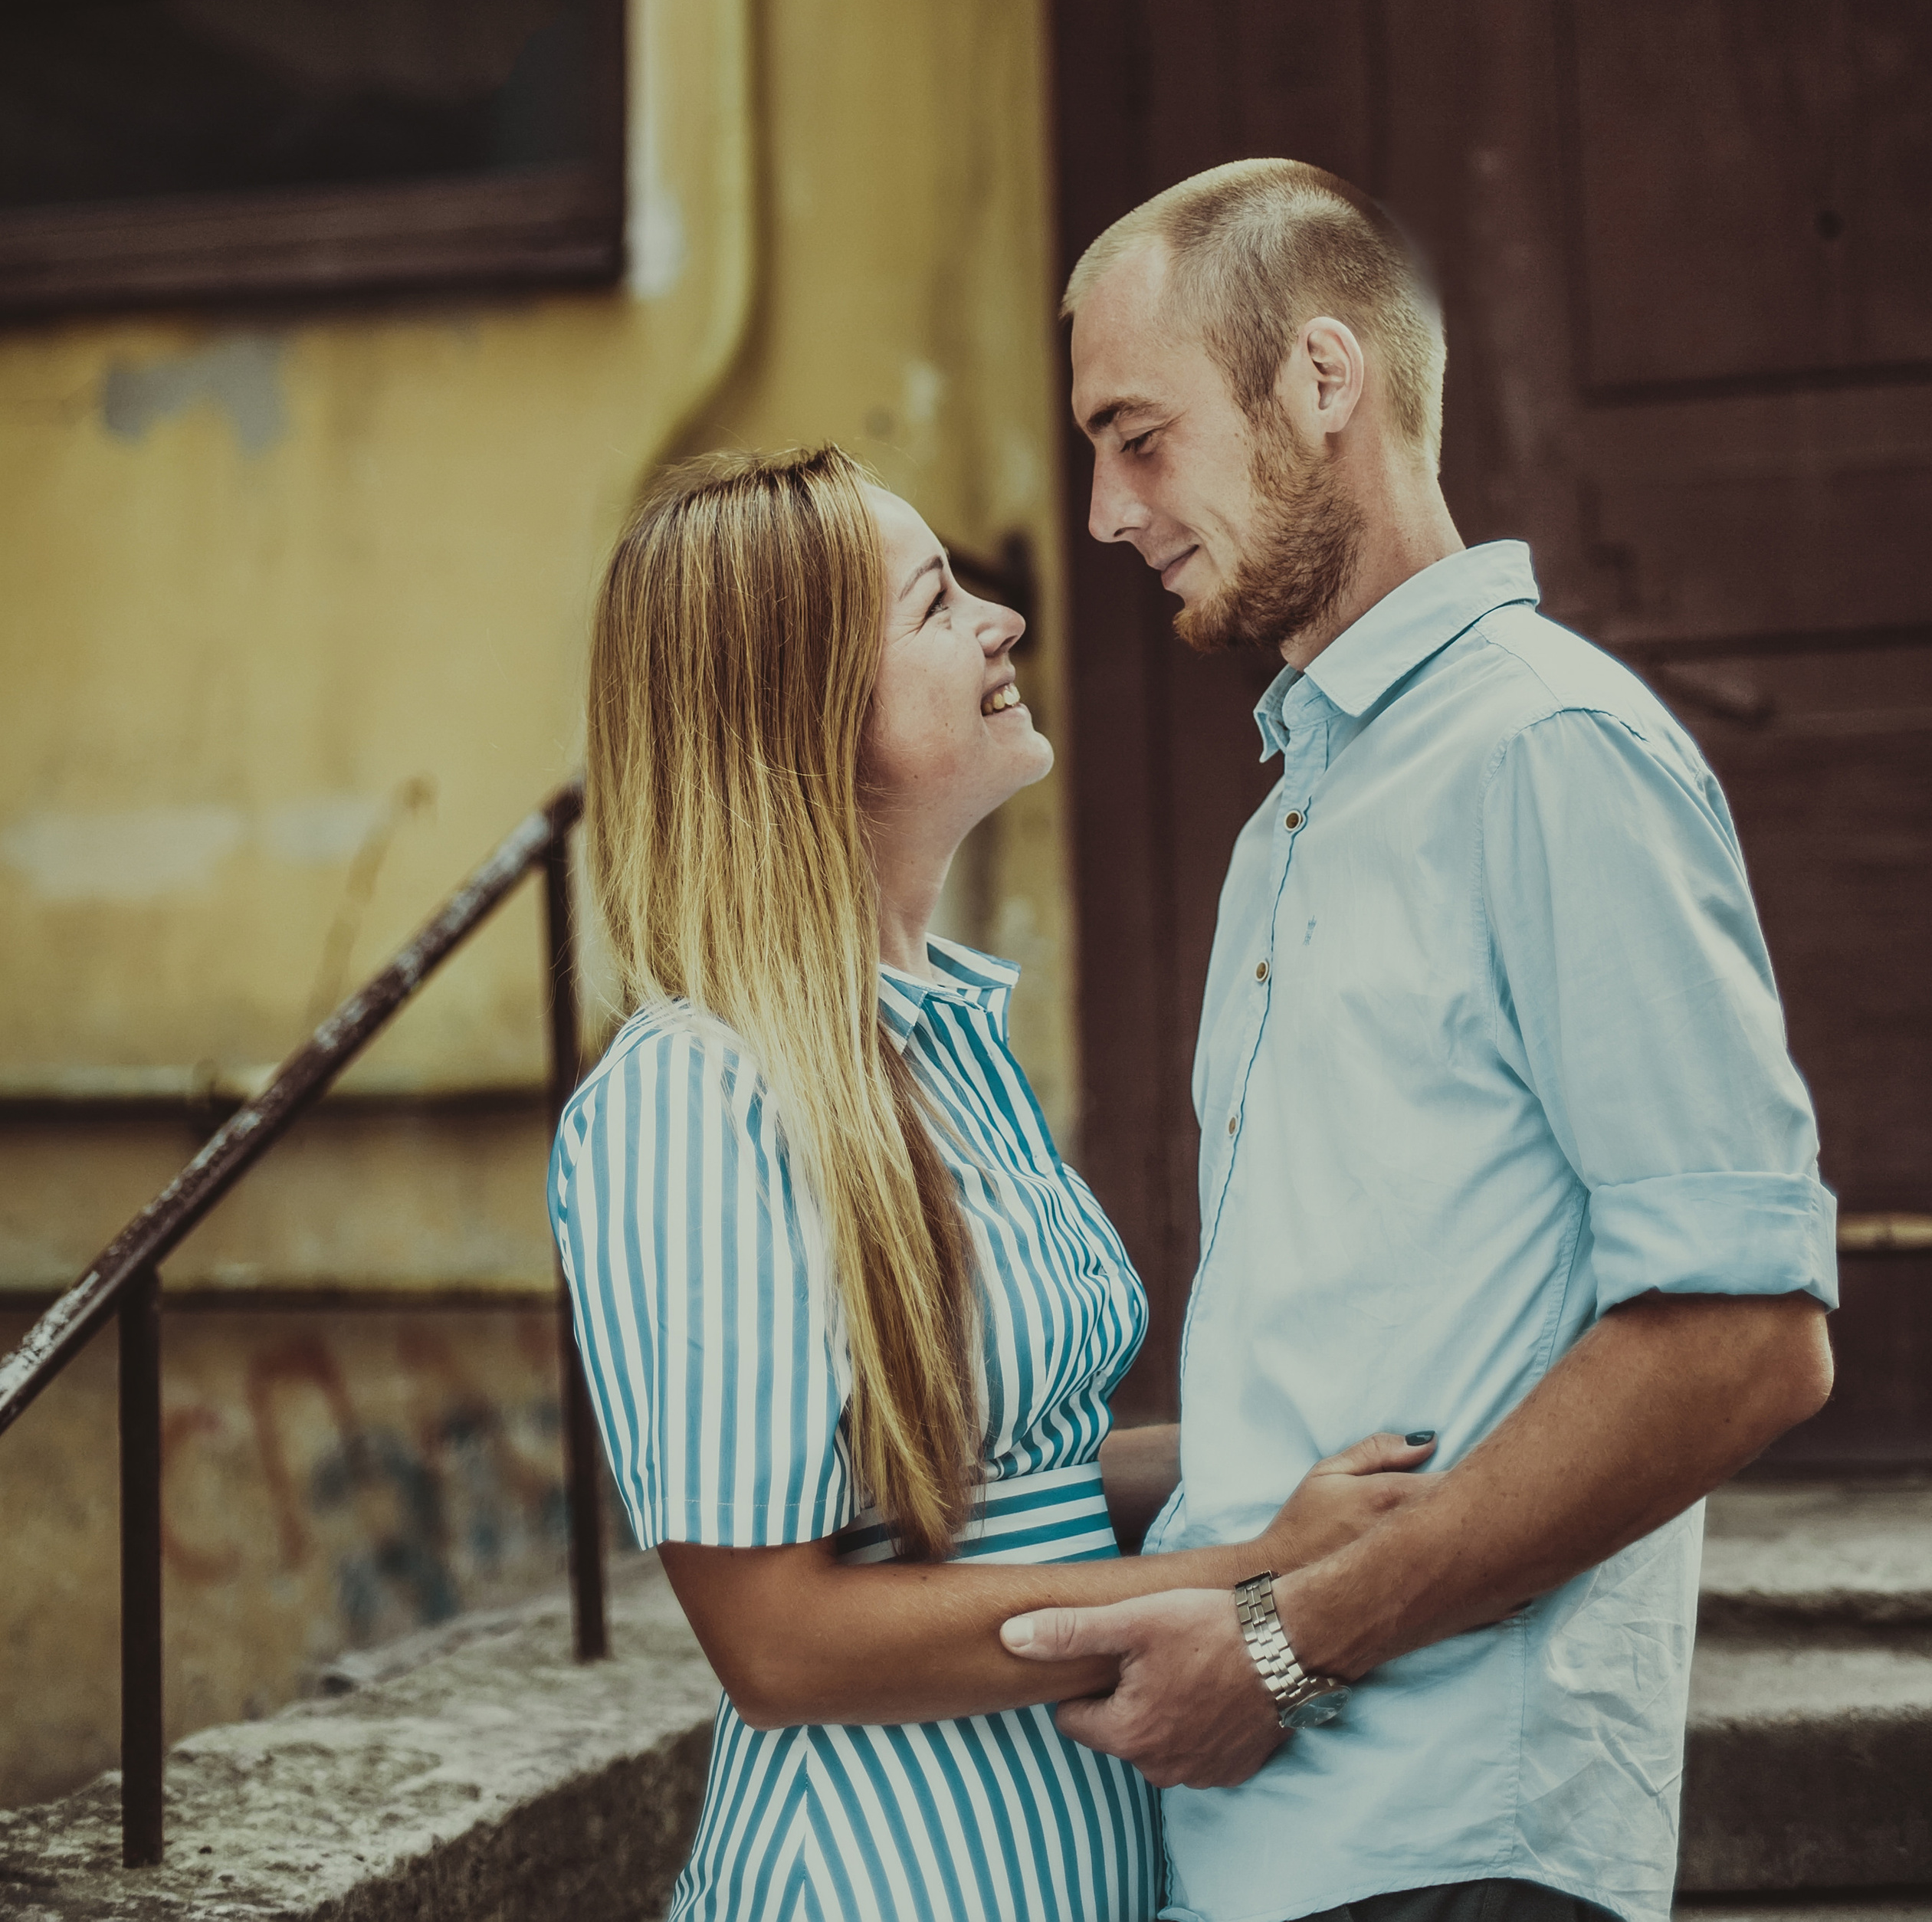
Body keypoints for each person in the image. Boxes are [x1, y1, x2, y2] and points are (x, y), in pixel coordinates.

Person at [1000, 158, 1838, 1922]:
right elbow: (1351, 1372)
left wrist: (1284, 1645)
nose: (1102, 511)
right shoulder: (1291, 819)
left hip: (1456, 1850)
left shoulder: (1545, 750)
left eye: (1137, 438)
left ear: (1321, 379)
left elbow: (1742, 1336)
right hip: (1250, 1856)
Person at [553, 443, 1432, 1922]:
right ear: (803, 716)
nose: (1003, 619)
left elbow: (1024, 1485)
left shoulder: (944, 1046)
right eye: (935, 604)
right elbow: (781, 1645)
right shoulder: (693, 1096)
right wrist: (1254, 1575)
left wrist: (1307, 1461)